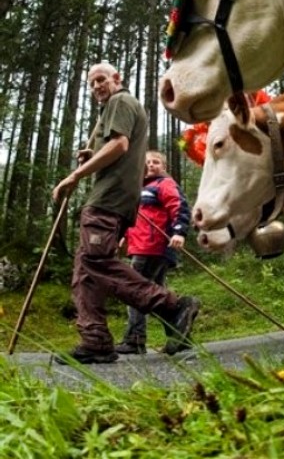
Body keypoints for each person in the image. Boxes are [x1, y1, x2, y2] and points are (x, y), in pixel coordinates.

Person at [52, 62, 200, 365]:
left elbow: (120, 145)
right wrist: (94, 155)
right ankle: (95, 341)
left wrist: (75, 175)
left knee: (96, 262)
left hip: (108, 199)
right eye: (91, 83)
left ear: (116, 78)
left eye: (101, 80)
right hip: (115, 198)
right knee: (85, 274)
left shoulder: (120, 101)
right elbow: (119, 148)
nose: (96, 87)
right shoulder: (118, 107)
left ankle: (172, 306)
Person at [115, 150, 191, 355]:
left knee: (134, 291)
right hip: (140, 246)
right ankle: (181, 336)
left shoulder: (164, 184)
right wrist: (124, 237)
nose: (150, 165)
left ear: (163, 167)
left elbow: (180, 207)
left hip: (154, 246)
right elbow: (136, 220)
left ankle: (134, 340)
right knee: (155, 296)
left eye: (155, 162)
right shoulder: (141, 189)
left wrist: (179, 232)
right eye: (146, 162)